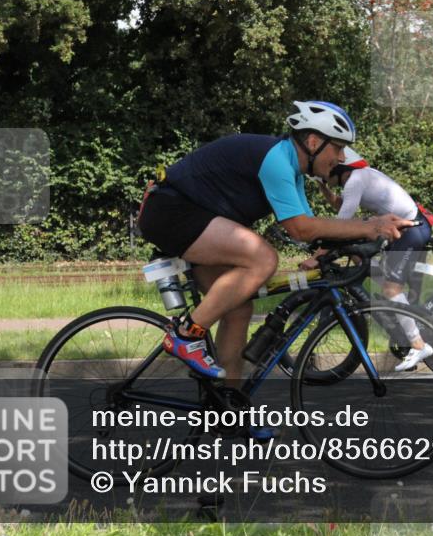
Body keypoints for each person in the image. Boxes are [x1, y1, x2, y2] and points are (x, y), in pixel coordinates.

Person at [136, 101, 412, 388]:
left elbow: (312, 230)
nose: (341, 158)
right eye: (338, 147)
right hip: (171, 210)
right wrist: (369, 226)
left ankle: (229, 407)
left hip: (192, 215)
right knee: (264, 259)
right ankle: (186, 335)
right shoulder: (276, 160)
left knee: (237, 308)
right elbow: (300, 228)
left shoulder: (291, 169)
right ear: (314, 141)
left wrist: (356, 241)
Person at [317, 147, 433, 371]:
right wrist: (326, 192)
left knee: (391, 289)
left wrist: (318, 256)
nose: (324, 176)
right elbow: (343, 207)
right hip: (404, 229)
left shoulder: (355, 180)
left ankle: (418, 344)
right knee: (360, 258)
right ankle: (398, 319)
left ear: (339, 168)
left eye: (326, 173)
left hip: (411, 231)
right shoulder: (358, 179)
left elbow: (342, 223)